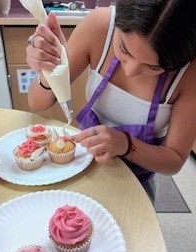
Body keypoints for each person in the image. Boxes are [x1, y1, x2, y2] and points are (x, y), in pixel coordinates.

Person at [26, 0, 196, 202]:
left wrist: (125, 144)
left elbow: (173, 160)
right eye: (124, 49)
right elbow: (38, 103)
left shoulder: (190, 72)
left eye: (154, 67)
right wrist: (48, 71)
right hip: (81, 165)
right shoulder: (99, 26)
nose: (131, 70)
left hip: (137, 182)